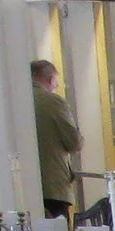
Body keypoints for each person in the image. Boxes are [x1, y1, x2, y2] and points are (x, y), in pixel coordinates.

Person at [31, 59, 80, 220]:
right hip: (53, 185)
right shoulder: (53, 101)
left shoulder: (15, 100)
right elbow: (73, 142)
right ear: (51, 79)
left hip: (26, 187)